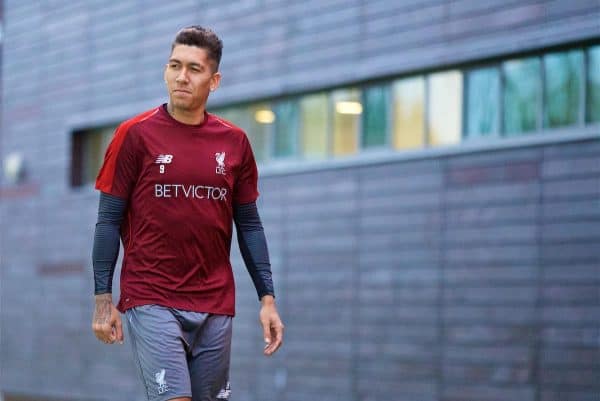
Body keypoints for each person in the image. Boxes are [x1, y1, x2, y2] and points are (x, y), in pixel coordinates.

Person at [90, 26, 284, 401]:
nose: (181, 77)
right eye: (174, 65)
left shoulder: (235, 142)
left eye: (194, 69)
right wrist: (103, 298)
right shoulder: (134, 135)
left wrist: (268, 300)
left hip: (215, 301)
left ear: (214, 81)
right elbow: (107, 220)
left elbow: (249, 225)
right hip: (151, 296)